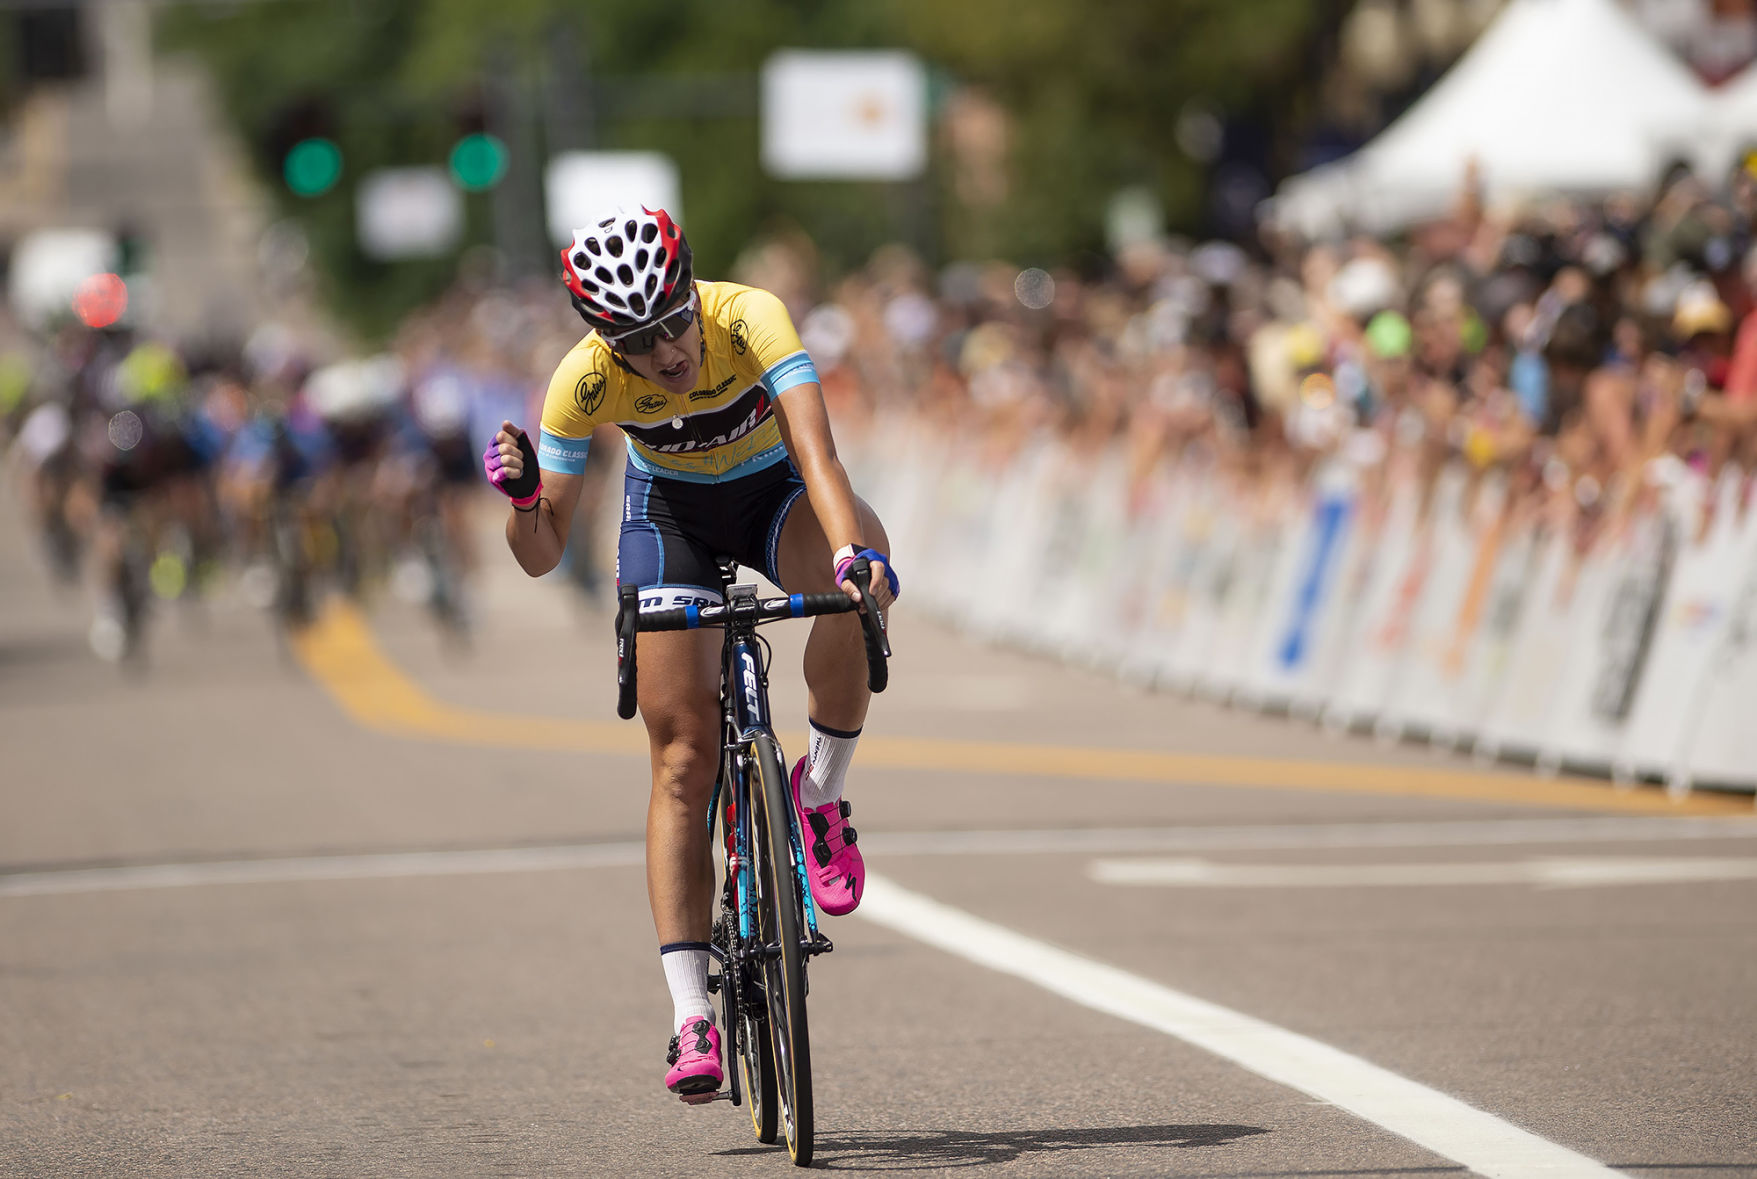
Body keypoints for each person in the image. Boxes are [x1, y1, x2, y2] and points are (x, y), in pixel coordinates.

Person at [480, 208, 898, 1100]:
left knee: (864, 572)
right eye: (636, 338)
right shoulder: (580, 384)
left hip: (774, 492)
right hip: (667, 517)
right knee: (683, 760)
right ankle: (691, 1016)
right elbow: (544, 553)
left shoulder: (751, 316)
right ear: (603, 339)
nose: (666, 349)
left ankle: (817, 791)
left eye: (673, 320)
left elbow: (818, 455)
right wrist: (522, 501)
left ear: (690, 290)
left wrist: (849, 558)